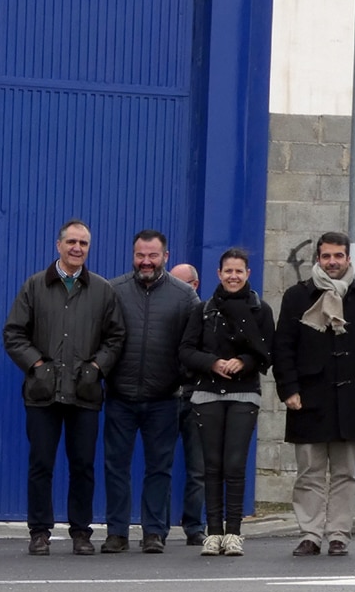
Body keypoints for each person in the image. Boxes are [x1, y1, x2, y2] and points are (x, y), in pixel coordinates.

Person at [3, 220, 126, 556]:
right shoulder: (34, 286)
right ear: (58, 245)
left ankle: (81, 533)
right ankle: (39, 532)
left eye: (84, 243)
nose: (77, 248)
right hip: (42, 395)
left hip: (84, 394)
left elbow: (116, 338)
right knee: (41, 464)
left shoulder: (102, 290)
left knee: (82, 466)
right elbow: (14, 333)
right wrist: (38, 366)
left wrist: (97, 367)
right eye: (72, 241)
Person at [273, 232, 355, 557]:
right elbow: (283, 347)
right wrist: (288, 390)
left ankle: (338, 534)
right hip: (308, 398)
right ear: (318, 259)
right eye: (326, 257)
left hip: (351, 398)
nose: (333, 262)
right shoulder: (297, 296)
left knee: (345, 474)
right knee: (309, 472)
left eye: (339, 256)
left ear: (348, 259)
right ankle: (309, 533)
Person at [103, 230, 197, 553]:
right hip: (120, 396)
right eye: (140, 255)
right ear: (133, 255)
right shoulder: (113, 291)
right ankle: (116, 532)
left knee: (160, 469)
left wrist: (183, 379)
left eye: (153, 256)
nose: (146, 262)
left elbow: (194, 343)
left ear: (165, 257)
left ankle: (154, 532)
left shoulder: (185, 296)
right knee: (116, 466)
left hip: (164, 399)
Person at [180, 248, 274, 556]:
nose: (233, 276)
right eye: (227, 271)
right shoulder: (204, 310)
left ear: (248, 274)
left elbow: (266, 353)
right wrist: (213, 363)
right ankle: (213, 532)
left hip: (244, 394)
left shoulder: (261, 310)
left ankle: (233, 532)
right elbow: (186, 350)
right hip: (207, 393)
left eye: (239, 271)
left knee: (234, 465)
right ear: (219, 275)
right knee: (212, 466)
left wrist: (242, 362)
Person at [170, 262, 207, 546]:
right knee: (160, 466)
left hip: (195, 396)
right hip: (167, 396)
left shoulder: (208, 316)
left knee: (198, 469)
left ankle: (194, 527)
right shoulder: (162, 313)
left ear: (194, 285)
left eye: (181, 284)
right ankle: (156, 526)